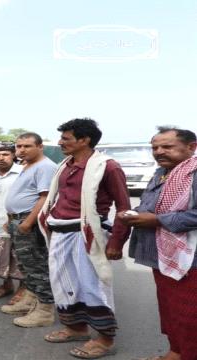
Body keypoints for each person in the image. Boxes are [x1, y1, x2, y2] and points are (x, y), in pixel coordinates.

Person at [38, 119, 131, 359]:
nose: (60, 143)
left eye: (66, 139)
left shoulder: (108, 167)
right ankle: (76, 327)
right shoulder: (66, 164)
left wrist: (116, 242)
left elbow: (124, 208)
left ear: (84, 140)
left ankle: (105, 339)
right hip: (60, 232)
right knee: (64, 283)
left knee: (93, 286)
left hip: (87, 234)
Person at [122, 127, 197, 360]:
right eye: (154, 147)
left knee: (189, 315)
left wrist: (157, 220)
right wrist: (134, 214)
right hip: (161, 255)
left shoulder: (193, 173)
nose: (158, 152)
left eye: (167, 146)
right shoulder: (162, 173)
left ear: (191, 147)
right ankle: (175, 352)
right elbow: (152, 205)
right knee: (169, 309)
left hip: (189, 260)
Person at [0, 132, 57, 327]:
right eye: (19, 146)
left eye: (27, 146)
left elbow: (45, 198)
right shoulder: (28, 166)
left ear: (40, 147)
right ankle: (30, 300)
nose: (22, 150)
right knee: (26, 265)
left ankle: (45, 311)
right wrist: (11, 218)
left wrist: (28, 221)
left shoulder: (45, 166)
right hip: (18, 220)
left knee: (37, 266)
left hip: (28, 222)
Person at [0, 142, 25, 304]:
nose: (1, 158)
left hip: (18, 222)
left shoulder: (23, 172)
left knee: (20, 255)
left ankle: (23, 288)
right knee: (1, 255)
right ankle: (6, 284)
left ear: (13, 155)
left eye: (5, 154)